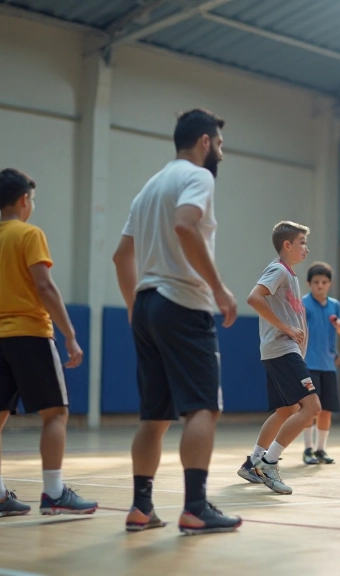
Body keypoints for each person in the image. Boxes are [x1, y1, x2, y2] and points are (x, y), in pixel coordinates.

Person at [112, 108, 240, 534]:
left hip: (148, 304)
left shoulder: (149, 186)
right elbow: (186, 227)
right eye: (219, 144)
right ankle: (196, 507)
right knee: (202, 407)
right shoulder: (198, 176)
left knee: (153, 416)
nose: (221, 152)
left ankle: (141, 507)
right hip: (183, 302)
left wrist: (134, 305)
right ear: (205, 141)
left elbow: (121, 256)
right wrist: (219, 289)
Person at [0, 168, 96, 519]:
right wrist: (69, 334)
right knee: (55, 414)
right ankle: (54, 492)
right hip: (29, 335)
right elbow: (44, 286)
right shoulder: (29, 234)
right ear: (25, 199)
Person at [236, 221, 319, 495]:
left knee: (286, 410)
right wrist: (286, 328)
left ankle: (253, 463)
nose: (306, 248)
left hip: (282, 351)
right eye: (302, 242)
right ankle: (270, 463)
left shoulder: (290, 276)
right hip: (281, 349)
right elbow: (253, 298)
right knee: (311, 407)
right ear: (288, 245)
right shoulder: (278, 270)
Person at [300, 262, 340, 465]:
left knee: (326, 409)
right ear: (309, 283)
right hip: (308, 364)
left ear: (330, 284)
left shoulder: (335, 305)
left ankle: (321, 449)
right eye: (316, 282)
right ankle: (308, 449)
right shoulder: (302, 304)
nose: (320, 285)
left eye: (324, 282)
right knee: (310, 409)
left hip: (328, 364)